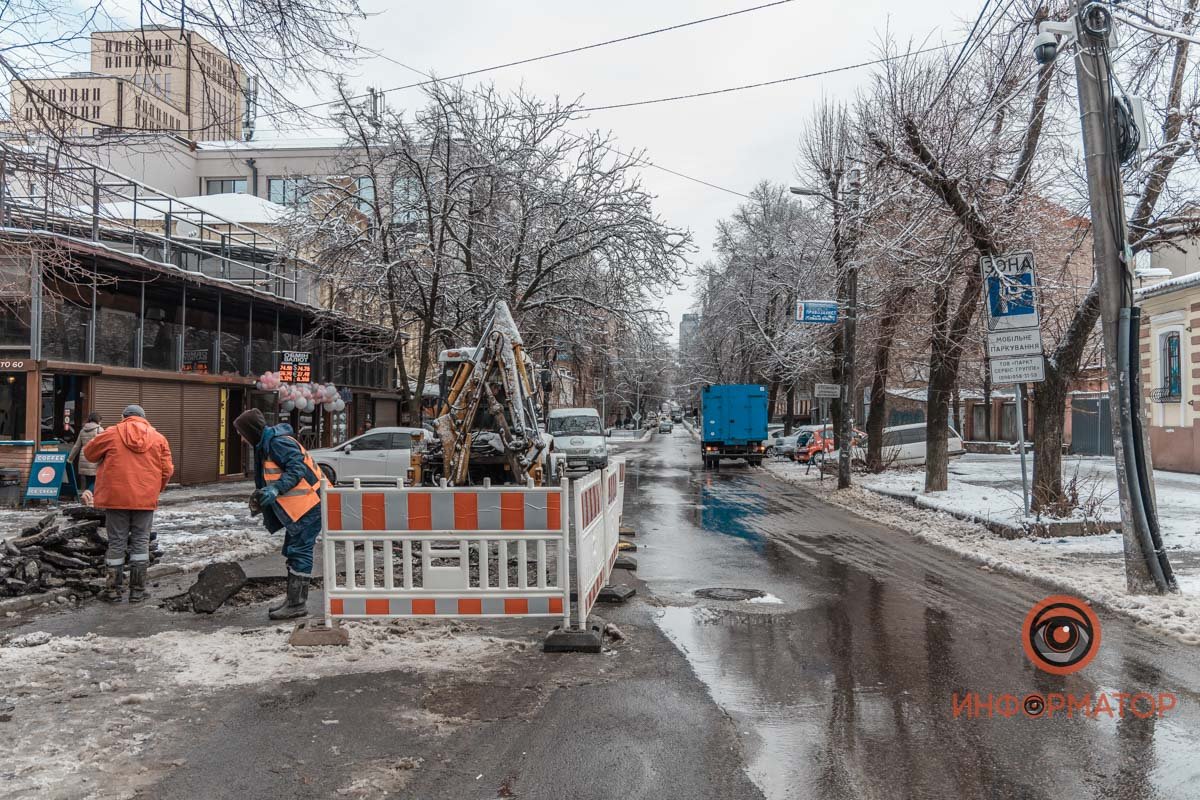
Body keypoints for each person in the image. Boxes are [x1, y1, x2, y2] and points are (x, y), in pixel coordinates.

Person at [234, 408, 324, 620]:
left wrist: (276, 489)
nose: (240, 437)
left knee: (299, 551)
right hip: (302, 505)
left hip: (310, 504)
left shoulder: (277, 443)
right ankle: (293, 600)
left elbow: (297, 469)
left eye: (241, 432)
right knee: (294, 551)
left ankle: (297, 604)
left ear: (251, 431)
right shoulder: (267, 444)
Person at [83, 405, 174, 603]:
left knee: (116, 542)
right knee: (141, 541)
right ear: (144, 417)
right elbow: (167, 470)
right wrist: (155, 489)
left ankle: (113, 591)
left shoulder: (111, 433)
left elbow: (89, 453)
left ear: (123, 417)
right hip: (145, 499)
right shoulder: (158, 438)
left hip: (115, 498)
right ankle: (138, 591)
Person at [68, 411, 104, 498]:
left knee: (89, 480)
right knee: (96, 481)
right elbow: (104, 445)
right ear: (98, 420)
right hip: (95, 458)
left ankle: (89, 500)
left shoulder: (82, 430)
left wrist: (70, 458)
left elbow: (76, 446)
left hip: (84, 457)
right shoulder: (99, 430)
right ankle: (87, 494)